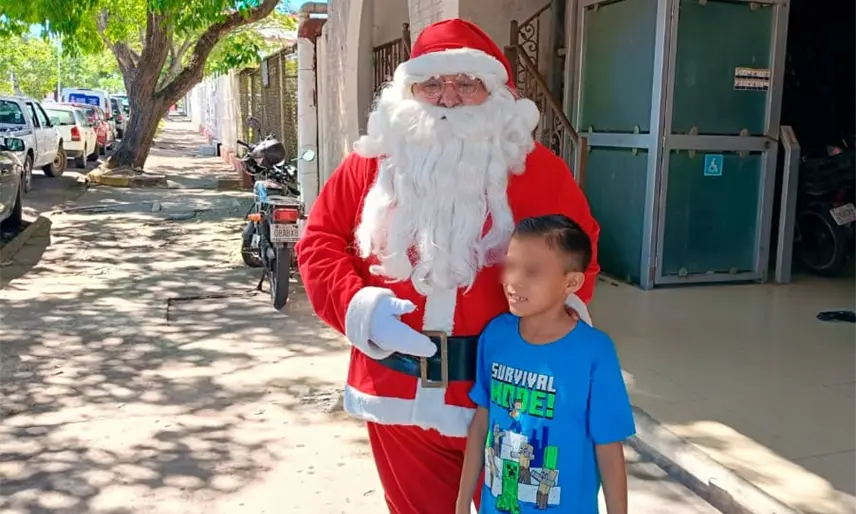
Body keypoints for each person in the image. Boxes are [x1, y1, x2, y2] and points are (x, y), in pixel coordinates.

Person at [295, 18, 601, 514]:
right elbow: (320, 242)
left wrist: (553, 332)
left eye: (467, 83)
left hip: (510, 399)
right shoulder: (370, 163)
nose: (448, 97)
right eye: (432, 83)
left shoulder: (540, 169)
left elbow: (579, 257)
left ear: (496, 94)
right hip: (399, 395)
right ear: (410, 91)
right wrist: (357, 307)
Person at [455, 215, 635, 514]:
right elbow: (482, 421)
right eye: (511, 266)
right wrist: (462, 502)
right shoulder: (496, 335)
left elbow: (609, 448)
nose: (513, 281)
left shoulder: (594, 352)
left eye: (533, 271)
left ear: (572, 281)